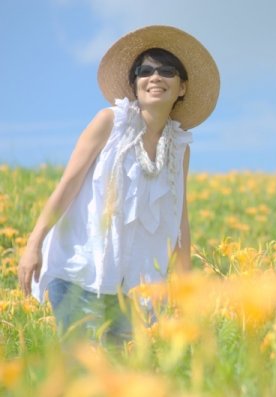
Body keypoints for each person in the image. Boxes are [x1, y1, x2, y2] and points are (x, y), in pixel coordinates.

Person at [17, 25, 220, 346]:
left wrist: (184, 287)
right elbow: (67, 186)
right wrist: (33, 245)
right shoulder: (109, 122)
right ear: (134, 84)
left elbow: (180, 218)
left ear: (182, 87)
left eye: (167, 71)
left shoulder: (180, 148)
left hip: (138, 287)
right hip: (81, 269)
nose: (155, 77)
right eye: (145, 71)